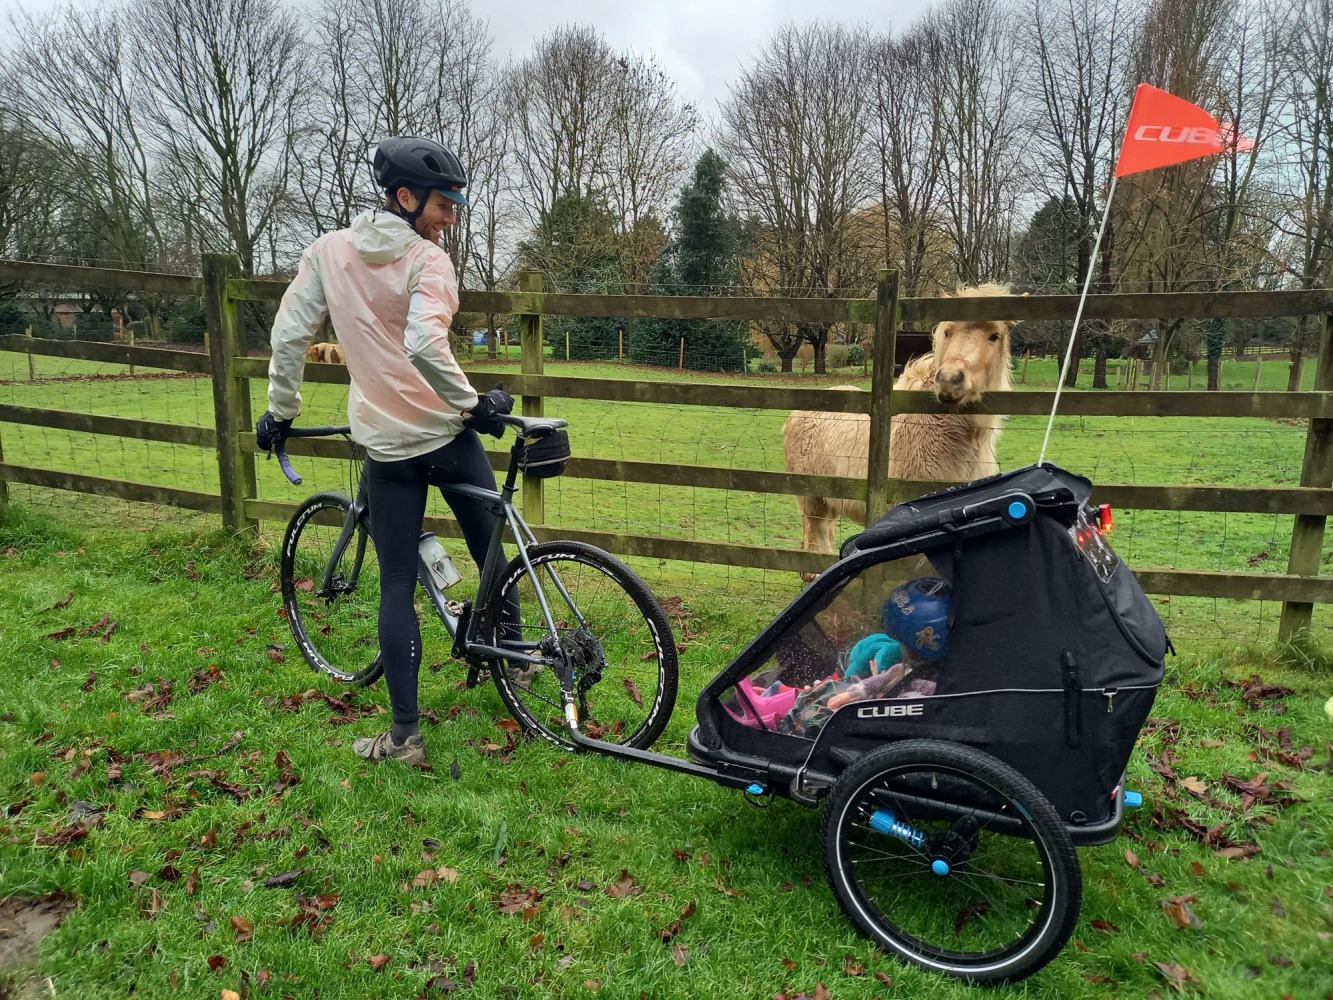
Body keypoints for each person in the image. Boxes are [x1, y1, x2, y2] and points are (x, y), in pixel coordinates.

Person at [255, 135, 515, 767]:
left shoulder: (327, 254)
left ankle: (404, 737)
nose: (451, 216)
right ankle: (517, 665)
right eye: (443, 204)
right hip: (450, 437)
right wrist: (472, 405)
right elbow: (428, 344)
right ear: (405, 197)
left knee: (396, 582)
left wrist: (281, 411)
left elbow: (290, 332)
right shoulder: (428, 262)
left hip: (389, 450)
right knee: (489, 549)